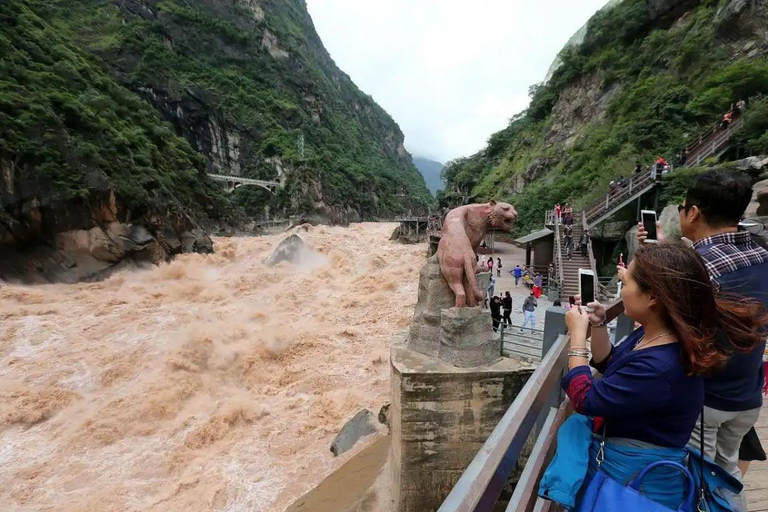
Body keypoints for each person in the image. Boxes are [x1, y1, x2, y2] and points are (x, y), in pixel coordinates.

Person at [540, 242, 767, 510]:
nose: (622, 290)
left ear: (652, 297)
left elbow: (585, 398)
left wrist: (577, 337)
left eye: (626, 283)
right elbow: (613, 364)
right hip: (636, 468)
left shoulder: (660, 365)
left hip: (634, 484)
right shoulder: (658, 334)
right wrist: (598, 324)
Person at [637, 169, 768, 503]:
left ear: (693, 213)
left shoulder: (697, 267)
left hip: (707, 398)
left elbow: (655, 321)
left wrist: (653, 261)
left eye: (683, 208)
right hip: (748, 396)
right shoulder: (762, 255)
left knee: (699, 485)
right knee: (727, 475)